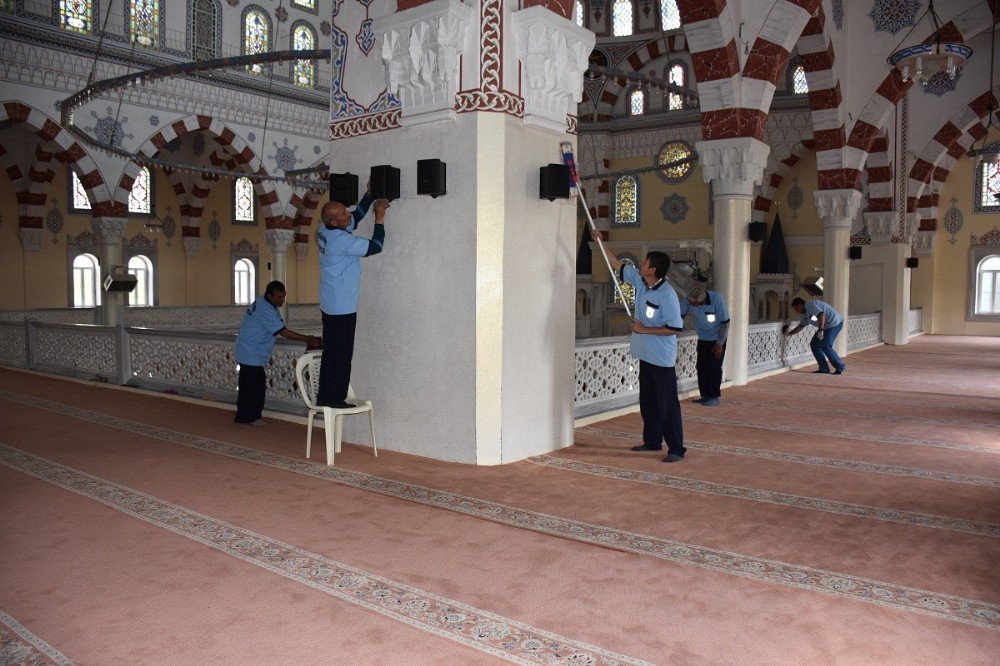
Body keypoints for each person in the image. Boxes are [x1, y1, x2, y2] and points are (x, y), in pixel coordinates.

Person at [594, 231, 686, 462]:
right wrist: (600, 241)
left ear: (653, 269)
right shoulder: (640, 281)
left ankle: (676, 449)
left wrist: (644, 329)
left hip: (662, 360)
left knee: (667, 406)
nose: (641, 263)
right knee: (648, 403)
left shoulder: (668, 295)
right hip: (645, 356)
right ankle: (652, 442)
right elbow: (616, 264)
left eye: (645, 262)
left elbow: (675, 328)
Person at [315, 192, 390, 408]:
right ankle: (334, 400)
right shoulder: (341, 240)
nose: (348, 214)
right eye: (343, 213)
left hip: (329, 303)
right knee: (341, 355)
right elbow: (375, 246)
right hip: (341, 307)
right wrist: (380, 215)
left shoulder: (324, 230)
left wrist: (369, 195)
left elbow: (355, 216)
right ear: (334, 221)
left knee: (331, 353)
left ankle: (325, 397)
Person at [234, 280, 320, 424]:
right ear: (270, 295)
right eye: (279, 297)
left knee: (247, 385)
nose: (283, 300)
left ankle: (243, 416)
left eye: (284, 296)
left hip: (247, 349)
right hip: (251, 351)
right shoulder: (266, 309)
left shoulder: (263, 301)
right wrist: (307, 338)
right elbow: (284, 332)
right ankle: (252, 416)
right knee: (255, 387)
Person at [680, 284, 729, 406]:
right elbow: (680, 314)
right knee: (702, 367)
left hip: (717, 339)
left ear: (702, 301)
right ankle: (706, 395)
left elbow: (725, 323)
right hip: (702, 338)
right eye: (692, 303)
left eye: (695, 305)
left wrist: (719, 343)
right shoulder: (689, 299)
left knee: (714, 367)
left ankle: (714, 396)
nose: (693, 306)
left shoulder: (716, 299)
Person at [783, 297, 846, 374]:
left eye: (796, 309)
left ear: (800, 305)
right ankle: (824, 369)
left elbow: (821, 314)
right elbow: (800, 327)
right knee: (814, 344)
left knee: (826, 346)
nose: (796, 311)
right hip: (826, 326)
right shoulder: (806, 315)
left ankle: (840, 367)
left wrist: (820, 330)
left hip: (834, 323)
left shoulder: (809, 304)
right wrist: (788, 334)